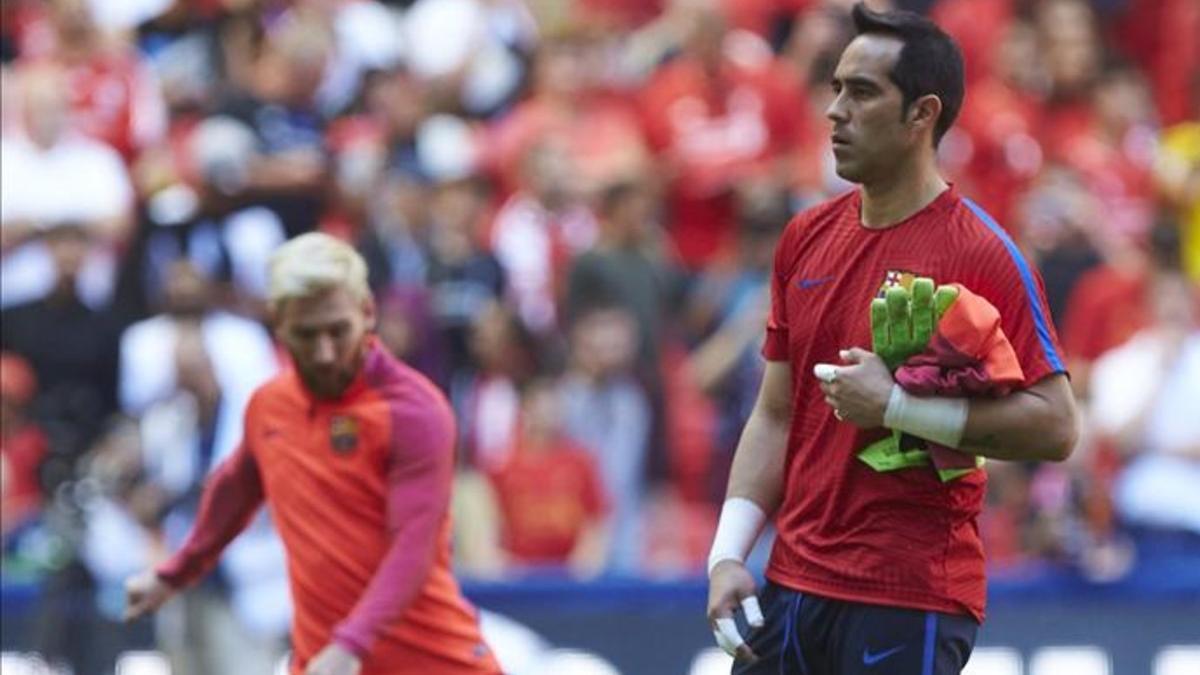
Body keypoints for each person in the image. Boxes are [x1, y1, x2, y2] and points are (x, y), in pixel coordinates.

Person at [704, 5, 1080, 674]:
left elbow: (1055, 427)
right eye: (836, 88)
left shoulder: (984, 254)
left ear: (921, 114)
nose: (835, 111)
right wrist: (729, 553)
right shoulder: (804, 236)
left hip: (912, 595)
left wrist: (899, 407)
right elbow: (775, 410)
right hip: (793, 581)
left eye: (863, 92)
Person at [123, 233, 501, 675]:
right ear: (278, 323)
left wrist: (349, 645)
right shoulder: (270, 406)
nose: (324, 353)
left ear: (367, 314)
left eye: (338, 331)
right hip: (326, 661)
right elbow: (235, 488)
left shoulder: (414, 411)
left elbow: (412, 547)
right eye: (306, 334)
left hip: (432, 661)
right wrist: (175, 573)